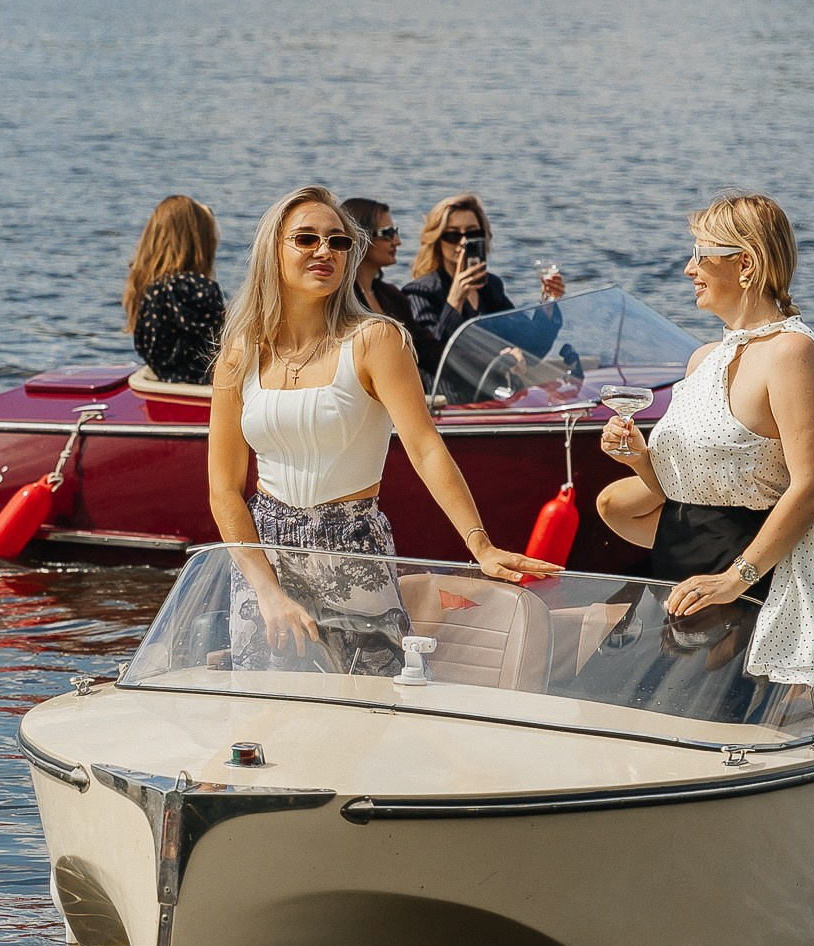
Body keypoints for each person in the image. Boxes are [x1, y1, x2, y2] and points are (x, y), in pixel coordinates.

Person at [209, 185, 553, 655]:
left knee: (374, 690)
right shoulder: (240, 352)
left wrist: (481, 545)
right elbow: (224, 489)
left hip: (352, 543)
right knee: (266, 695)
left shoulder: (376, 339)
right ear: (273, 250)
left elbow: (425, 447)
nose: (324, 251)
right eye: (306, 239)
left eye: (338, 241)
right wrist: (265, 589)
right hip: (262, 552)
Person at [594, 190, 814, 685]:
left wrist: (734, 581)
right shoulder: (702, 359)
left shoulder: (792, 352)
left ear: (746, 264)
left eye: (700, 254)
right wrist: (641, 460)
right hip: (676, 577)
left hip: (742, 583)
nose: (688, 269)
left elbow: (813, 486)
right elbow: (686, 489)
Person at [402, 193, 566, 384]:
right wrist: (454, 302)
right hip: (451, 396)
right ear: (437, 241)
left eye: (472, 234)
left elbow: (530, 348)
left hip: (495, 389)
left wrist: (548, 303)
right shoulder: (420, 293)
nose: (463, 242)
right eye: (453, 235)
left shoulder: (490, 286)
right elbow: (436, 357)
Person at [123, 194, 223, 385]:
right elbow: (220, 348)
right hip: (199, 387)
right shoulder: (196, 289)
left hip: (163, 383)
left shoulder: (147, 288)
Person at [340, 197, 411, 330]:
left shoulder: (394, 297)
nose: (397, 242)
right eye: (387, 233)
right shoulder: (338, 300)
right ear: (360, 237)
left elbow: (423, 341)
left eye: (395, 232)